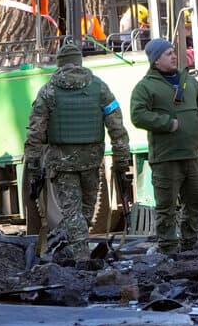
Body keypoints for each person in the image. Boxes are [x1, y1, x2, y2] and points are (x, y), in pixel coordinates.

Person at [23, 42, 131, 260]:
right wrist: (121, 159)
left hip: (61, 163)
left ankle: (78, 257)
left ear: (59, 64)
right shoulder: (99, 88)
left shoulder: (48, 92)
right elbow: (117, 126)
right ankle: (80, 254)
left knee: (72, 212)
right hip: (91, 160)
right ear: (80, 61)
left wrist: (34, 165)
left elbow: (36, 132)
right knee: (86, 210)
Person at [130, 38, 198, 255]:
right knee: (166, 207)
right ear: (156, 61)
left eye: (173, 52)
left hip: (192, 155)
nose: (174, 56)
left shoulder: (188, 81)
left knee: (196, 199)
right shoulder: (145, 87)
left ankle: (190, 242)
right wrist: (167, 124)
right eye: (168, 54)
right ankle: (168, 248)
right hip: (166, 158)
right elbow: (138, 115)